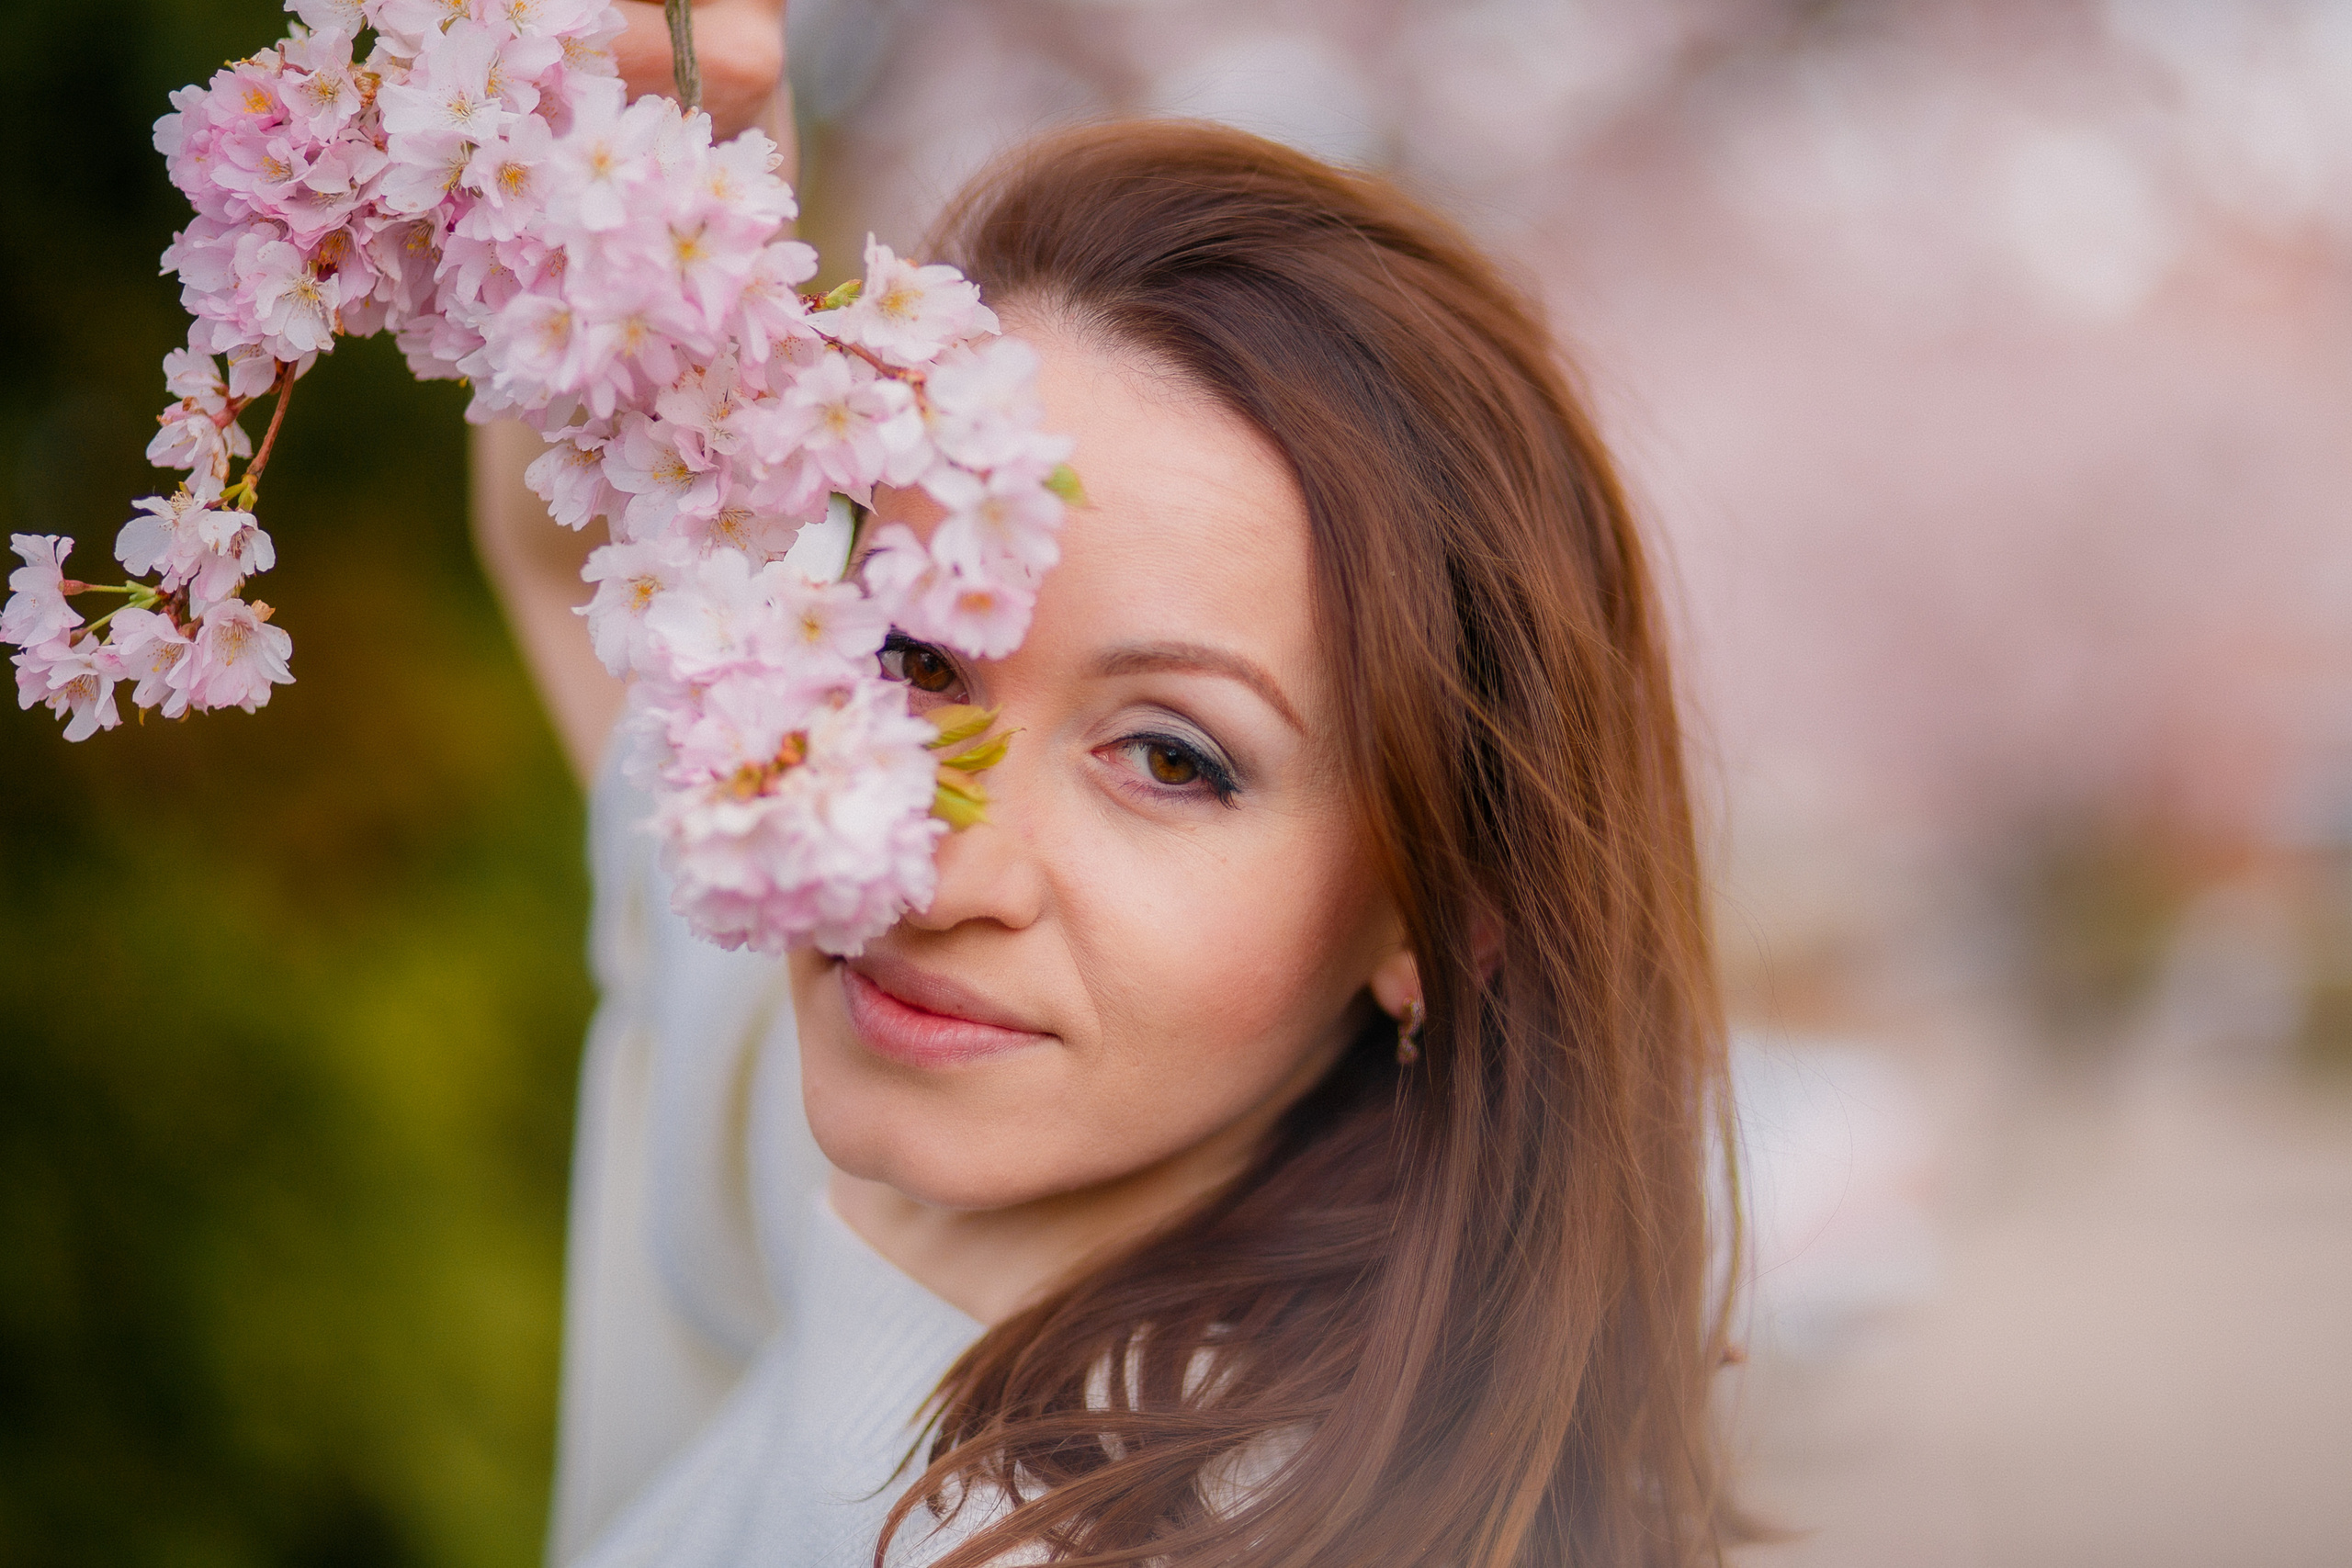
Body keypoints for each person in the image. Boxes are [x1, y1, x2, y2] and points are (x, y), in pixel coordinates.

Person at [475, 12, 1741, 1566]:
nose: (936, 872)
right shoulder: (890, 1145)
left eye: (1170, 758)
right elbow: (576, 574)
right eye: (914, 660)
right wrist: (638, 248)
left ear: (1443, 906)